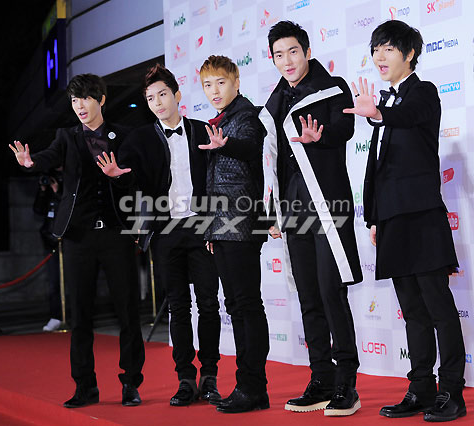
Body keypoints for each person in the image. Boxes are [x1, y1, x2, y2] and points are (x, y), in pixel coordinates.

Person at [344, 20, 466, 422]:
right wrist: (375, 217)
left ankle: (452, 392)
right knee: (412, 310)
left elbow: (409, 115)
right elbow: (378, 169)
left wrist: (379, 112)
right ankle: (421, 390)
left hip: (422, 217)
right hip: (393, 219)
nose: (379, 56)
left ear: (409, 54)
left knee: (438, 307)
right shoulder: (384, 104)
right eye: (375, 49)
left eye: (388, 48)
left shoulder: (423, 93)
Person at [9, 74, 145, 408]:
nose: (79, 106)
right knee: (80, 314)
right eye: (74, 100)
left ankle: (131, 383)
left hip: (116, 233)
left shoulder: (124, 136)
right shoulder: (66, 137)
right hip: (78, 237)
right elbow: (46, 157)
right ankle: (85, 386)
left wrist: (118, 176)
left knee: (128, 311)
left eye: (85, 99)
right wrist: (30, 162)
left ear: (101, 100)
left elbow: (135, 178)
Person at [97, 64, 222, 407]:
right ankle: (185, 379)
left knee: (209, 304)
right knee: (178, 307)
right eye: (151, 98)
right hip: (165, 231)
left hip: (201, 227)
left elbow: (217, 179)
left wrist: (215, 224)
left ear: (177, 95)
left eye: (163, 94)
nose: (157, 102)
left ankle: (210, 377)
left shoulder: (203, 130)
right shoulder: (139, 138)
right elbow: (129, 177)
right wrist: (117, 176)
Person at [259, 21, 363, 416]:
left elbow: (346, 126)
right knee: (308, 296)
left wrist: (323, 137)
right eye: (278, 54)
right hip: (293, 208)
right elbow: (270, 161)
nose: (286, 60)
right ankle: (321, 379)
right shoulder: (273, 104)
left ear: (306, 51)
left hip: (327, 203)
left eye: (292, 51)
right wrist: (272, 211)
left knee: (331, 292)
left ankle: (346, 384)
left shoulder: (332, 87)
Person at [199, 55, 269, 414]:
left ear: (236, 83)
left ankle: (253, 386)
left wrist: (224, 144)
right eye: (207, 85)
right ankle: (248, 386)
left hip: (242, 225)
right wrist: (209, 227)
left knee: (246, 305)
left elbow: (250, 148)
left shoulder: (246, 117)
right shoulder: (221, 120)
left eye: (221, 83)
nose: (214, 91)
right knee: (236, 306)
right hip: (221, 227)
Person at [33, 167, 63, 332]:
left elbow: (70, 208)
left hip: (69, 240)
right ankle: (56, 316)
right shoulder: (46, 190)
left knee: (75, 281)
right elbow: (38, 209)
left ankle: (78, 315)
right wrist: (43, 191)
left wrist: (58, 191)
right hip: (50, 242)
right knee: (53, 282)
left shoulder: (67, 184)